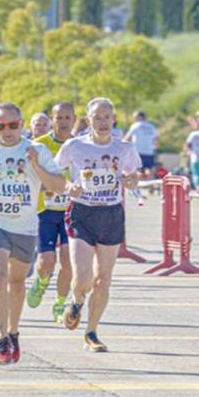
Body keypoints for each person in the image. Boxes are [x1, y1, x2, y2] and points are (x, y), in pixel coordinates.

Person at [0, 102, 65, 364]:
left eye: (12, 125)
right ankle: (0, 337)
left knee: (17, 282)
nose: (6, 131)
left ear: (21, 125)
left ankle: (13, 332)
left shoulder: (36, 150)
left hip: (25, 225)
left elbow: (60, 185)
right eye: (0, 125)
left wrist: (36, 166)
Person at [55, 98, 141, 352]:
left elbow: (134, 176)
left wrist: (131, 181)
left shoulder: (124, 148)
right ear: (88, 120)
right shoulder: (74, 146)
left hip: (112, 214)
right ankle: (77, 299)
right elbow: (55, 171)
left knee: (103, 279)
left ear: (113, 119)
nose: (102, 123)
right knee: (83, 276)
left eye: (107, 117)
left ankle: (91, 332)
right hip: (82, 213)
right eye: (97, 118)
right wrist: (69, 186)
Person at [27, 102, 77, 322]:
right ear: (52, 120)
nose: (64, 122)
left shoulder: (80, 146)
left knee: (68, 261)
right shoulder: (39, 145)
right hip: (44, 210)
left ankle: (59, 304)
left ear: (74, 120)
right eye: (60, 118)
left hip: (71, 211)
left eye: (68, 118)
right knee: (47, 260)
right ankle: (41, 281)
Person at [124, 110, 159, 177]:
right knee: (148, 168)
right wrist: (155, 149)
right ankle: (150, 183)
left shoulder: (136, 125)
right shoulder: (151, 126)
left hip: (138, 151)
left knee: (137, 169)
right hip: (149, 151)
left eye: (135, 117)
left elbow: (127, 138)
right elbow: (156, 139)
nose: (134, 119)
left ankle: (138, 184)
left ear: (140, 117)